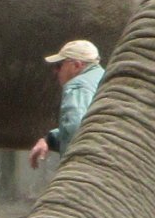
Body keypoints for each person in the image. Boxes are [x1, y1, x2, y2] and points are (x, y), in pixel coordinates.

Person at [27, 38, 103, 167]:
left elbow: (76, 127)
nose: (55, 71)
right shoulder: (102, 78)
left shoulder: (78, 85)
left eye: (59, 65)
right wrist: (49, 139)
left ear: (77, 66)